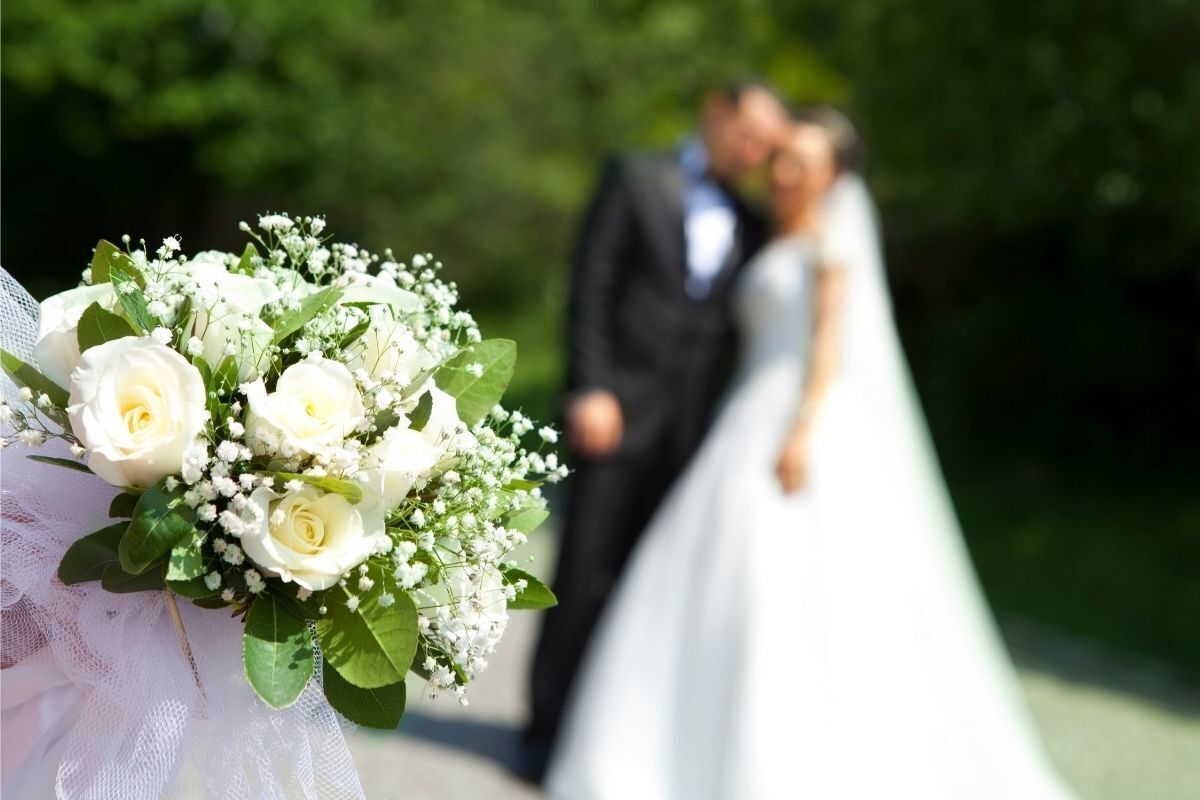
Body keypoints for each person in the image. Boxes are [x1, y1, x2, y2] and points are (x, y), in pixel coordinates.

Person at [544, 112, 1078, 799]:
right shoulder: (767, 233)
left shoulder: (830, 246)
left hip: (793, 422)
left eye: (803, 160)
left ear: (833, 176)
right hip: (741, 414)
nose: (785, 170)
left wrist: (800, 432)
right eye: (784, 157)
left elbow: (828, 354)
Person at [522, 81, 790, 780]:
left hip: (693, 438)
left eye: (767, 143)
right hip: (614, 414)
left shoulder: (755, 221)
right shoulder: (636, 178)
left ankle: (602, 738)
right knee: (580, 574)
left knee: (647, 591)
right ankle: (542, 734)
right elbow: (592, 287)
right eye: (749, 133)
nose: (755, 150)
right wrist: (589, 387)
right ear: (716, 111)